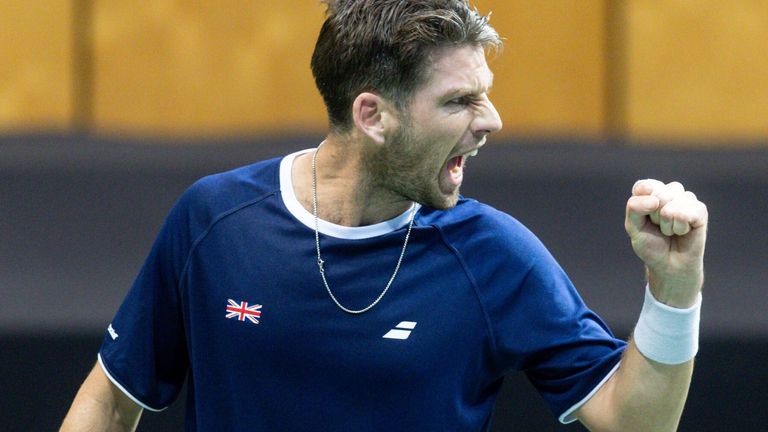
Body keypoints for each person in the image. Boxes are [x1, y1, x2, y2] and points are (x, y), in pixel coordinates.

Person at [61, 1, 708, 431]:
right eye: (460, 101)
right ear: (373, 114)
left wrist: (675, 289)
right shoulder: (215, 218)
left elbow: (633, 421)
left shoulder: (495, 255)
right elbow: (112, 399)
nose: (491, 122)